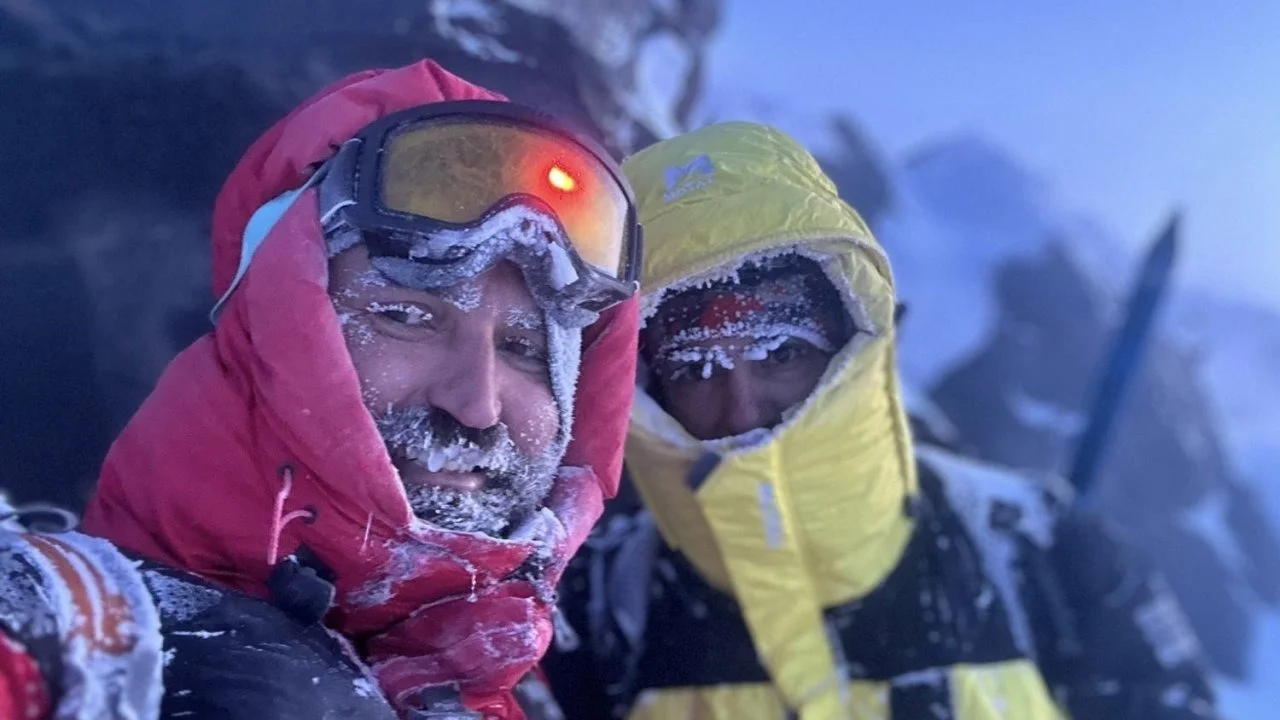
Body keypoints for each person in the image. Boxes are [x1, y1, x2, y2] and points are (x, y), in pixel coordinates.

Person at [0, 59, 641, 720]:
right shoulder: (60, 637)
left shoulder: (516, 681)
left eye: (524, 350)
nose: (477, 406)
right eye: (406, 317)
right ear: (274, 323)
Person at [541, 122, 1219, 720]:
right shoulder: (591, 606)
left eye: (782, 353)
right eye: (694, 369)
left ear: (849, 346)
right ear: (645, 387)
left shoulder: (1047, 549)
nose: (742, 410)